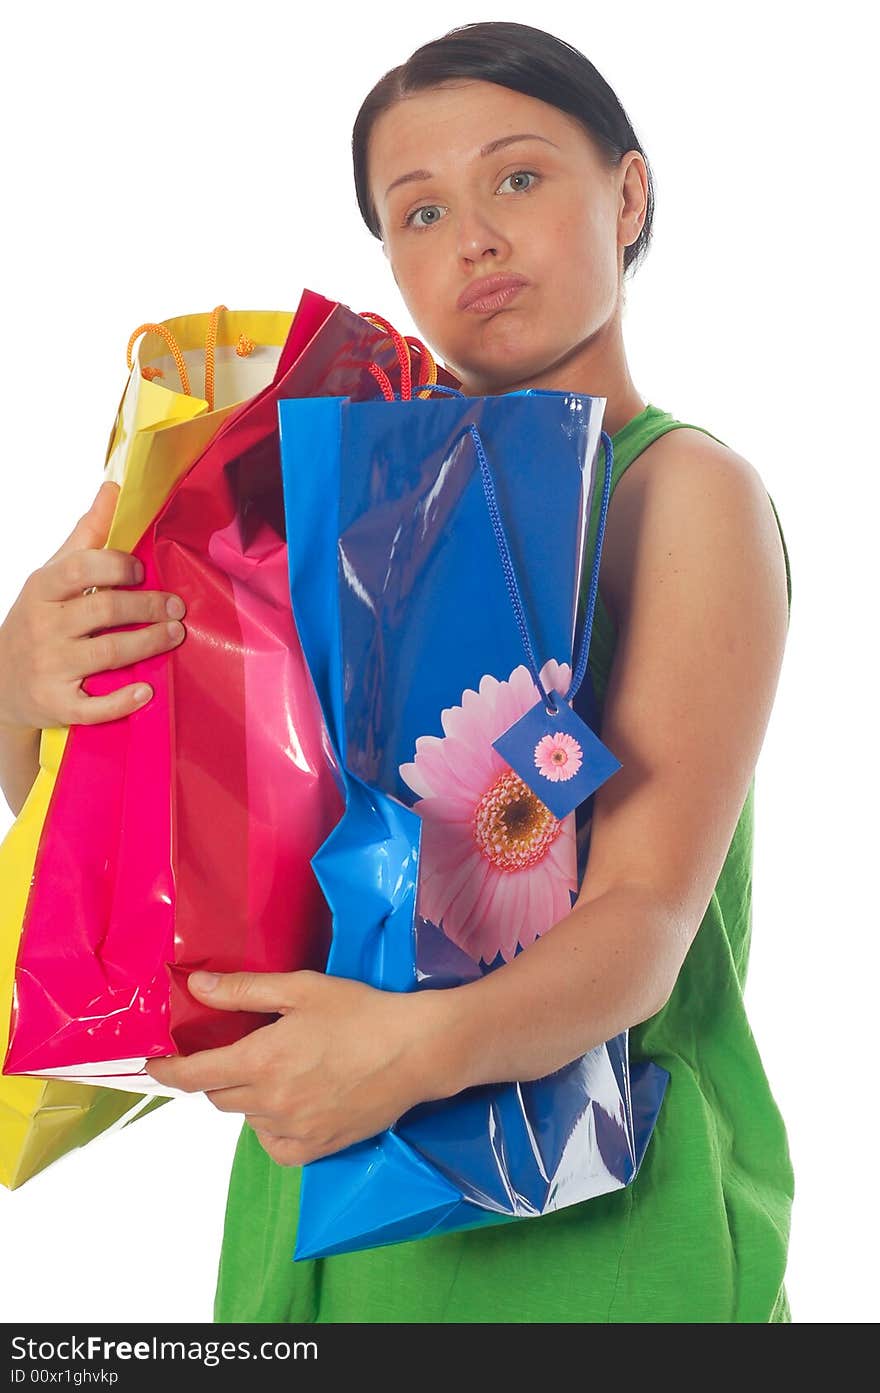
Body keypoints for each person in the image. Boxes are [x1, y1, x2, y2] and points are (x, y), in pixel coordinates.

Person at [0, 21, 795, 1323]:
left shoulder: (681, 491)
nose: (472, 236)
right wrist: (25, 685)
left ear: (629, 192)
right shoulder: (336, 509)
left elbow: (646, 922)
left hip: (590, 1234)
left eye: (520, 178)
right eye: (418, 210)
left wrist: (406, 1053)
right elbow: (138, 833)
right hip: (322, 1191)